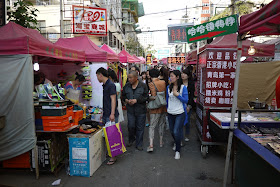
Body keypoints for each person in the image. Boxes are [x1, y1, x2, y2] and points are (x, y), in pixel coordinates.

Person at [96, 67, 119, 165]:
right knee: (107, 135)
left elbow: (113, 100)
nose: (97, 78)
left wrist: (112, 113)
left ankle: (113, 157)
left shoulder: (111, 85)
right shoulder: (105, 85)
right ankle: (111, 154)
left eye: (97, 75)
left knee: (112, 136)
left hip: (111, 114)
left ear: (101, 75)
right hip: (107, 113)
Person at [122, 71, 148, 151]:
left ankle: (139, 144)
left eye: (130, 77)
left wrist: (137, 100)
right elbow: (123, 96)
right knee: (131, 126)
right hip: (130, 110)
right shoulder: (126, 86)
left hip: (141, 110)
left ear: (136, 78)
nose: (129, 79)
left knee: (140, 127)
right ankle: (131, 139)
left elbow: (146, 97)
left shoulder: (143, 86)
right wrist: (126, 100)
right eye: (128, 77)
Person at [166, 70, 188, 160]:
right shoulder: (168, 87)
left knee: (176, 131)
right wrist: (167, 110)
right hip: (170, 112)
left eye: (172, 76)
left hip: (180, 113)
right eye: (170, 76)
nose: (170, 78)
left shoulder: (183, 87)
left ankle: (177, 151)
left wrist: (177, 95)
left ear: (177, 77)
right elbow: (167, 100)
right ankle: (176, 142)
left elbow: (186, 100)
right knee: (171, 131)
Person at [146, 68, 167, 152]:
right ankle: (161, 142)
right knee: (161, 124)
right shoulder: (163, 82)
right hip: (163, 106)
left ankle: (151, 145)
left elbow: (153, 96)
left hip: (155, 108)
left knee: (152, 126)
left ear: (150, 75)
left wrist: (148, 98)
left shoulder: (151, 83)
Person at [181, 68, 195, 142]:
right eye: (182, 73)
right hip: (180, 105)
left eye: (185, 74)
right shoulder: (179, 83)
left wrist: (189, 105)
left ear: (188, 75)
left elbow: (192, 95)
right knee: (180, 120)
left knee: (187, 121)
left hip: (188, 105)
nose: (183, 75)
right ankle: (180, 136)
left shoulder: (191, 84)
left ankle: (187, 134)